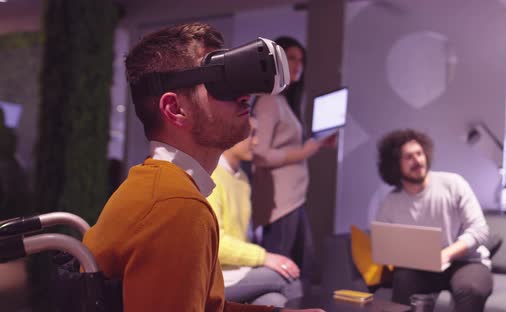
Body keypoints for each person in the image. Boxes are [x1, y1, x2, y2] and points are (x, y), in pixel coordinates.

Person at [82, 22, 322, 312]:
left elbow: (209, 307)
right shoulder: (176, 207)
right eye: (222, 81)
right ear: (175, 109)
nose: (245, 95)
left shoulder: (165, 188)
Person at [375, 129, 492, 312]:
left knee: (471, 289)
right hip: (420, 267)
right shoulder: (391, 202)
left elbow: (480, 230)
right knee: (402, 279)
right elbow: (383, 242)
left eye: (419, 154)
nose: (417, 161)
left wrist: (445, 254)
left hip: (467, 263)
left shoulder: (453, 184)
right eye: (408, 157)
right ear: (395, 164)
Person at [251, 36, 335, 284]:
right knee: (283, 271)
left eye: (301, 60)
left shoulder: (284, 101)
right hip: (280, 203)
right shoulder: (269, 100)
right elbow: (260, 153)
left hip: (293, 200)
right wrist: (305, 151)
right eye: (291, 58)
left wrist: (316, 144)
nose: (297, 64)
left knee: (302, 270)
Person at [208, 132, 303, 307]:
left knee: (274, 301)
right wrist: (264, 257)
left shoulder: (242, 179)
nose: (257, 140)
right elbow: (215, 244)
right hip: (215, 276)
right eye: (251, 134)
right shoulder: (211, 177)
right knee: (288, 276)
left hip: (238, 270)